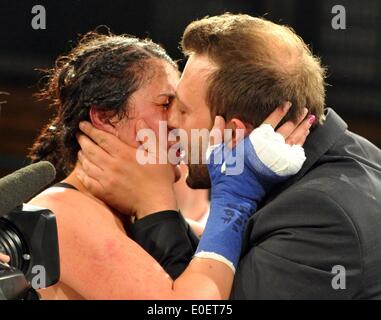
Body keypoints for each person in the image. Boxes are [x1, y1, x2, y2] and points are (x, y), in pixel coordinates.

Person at [76, 14, 381, 299]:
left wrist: (156, 208)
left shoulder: (321, 215)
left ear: (234, 134)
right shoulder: (340, 161)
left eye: (182, 109)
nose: (171, 122)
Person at [21, 31, 309, 299]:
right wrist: (234, 194)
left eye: (182, 107)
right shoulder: (60, 212)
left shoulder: (133, 214)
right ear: (106, 118)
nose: (176, 122)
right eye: (165, 104)